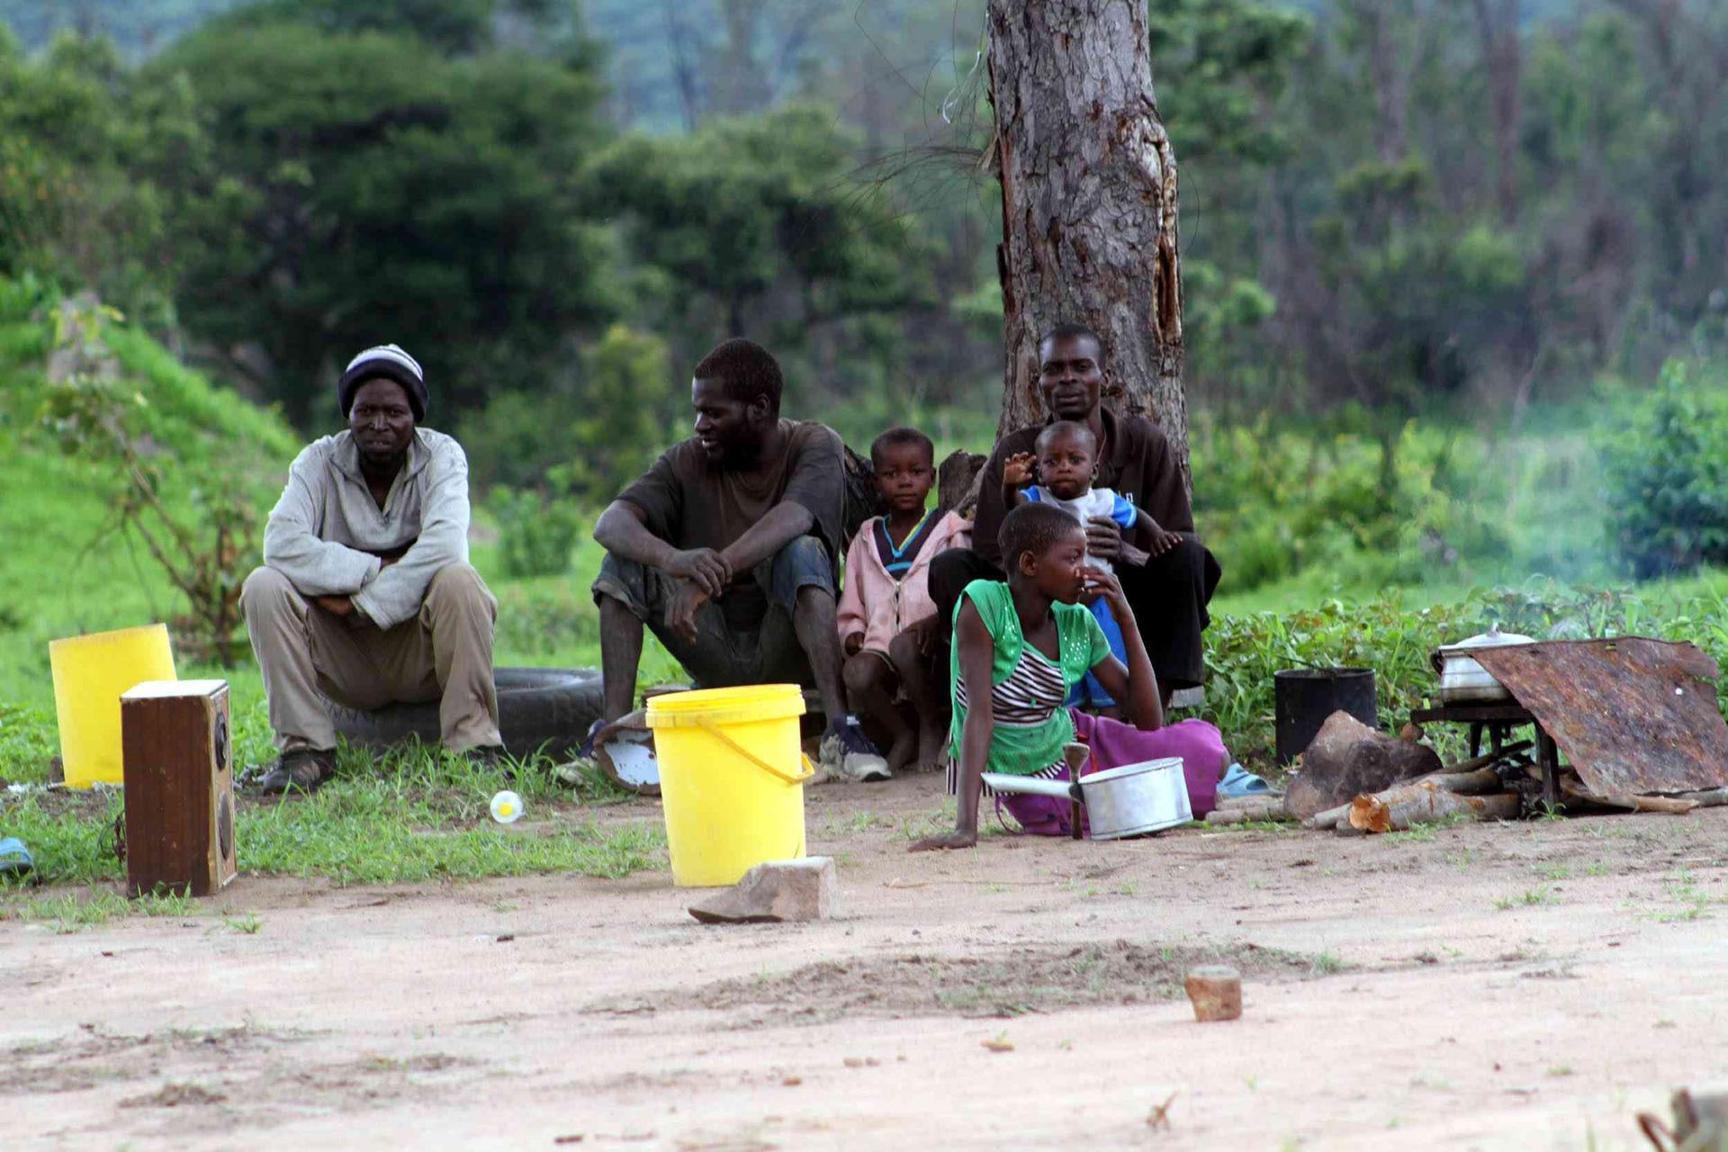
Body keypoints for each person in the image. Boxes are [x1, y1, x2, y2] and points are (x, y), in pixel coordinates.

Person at [591, 338, 888, 781]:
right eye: (697, 411)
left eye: (714, 413)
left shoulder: (813, 443)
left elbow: (794, 516)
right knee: (620, 564)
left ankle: (840, 732)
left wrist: (707, 578)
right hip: (712, 643)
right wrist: (674, 559)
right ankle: (609, 741)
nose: (699, 425)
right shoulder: (685, 461)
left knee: (802, 550)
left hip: (786, 646)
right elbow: (609, 523)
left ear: (760, 409)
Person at [242, 344, 502, 795]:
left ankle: (473, 747)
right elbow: (280, 544)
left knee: (460, 581)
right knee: (262, 585)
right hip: (344, 658)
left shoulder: (443, 457)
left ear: (415, 415)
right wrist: (377, 566)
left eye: (394, 412)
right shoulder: (317, 462)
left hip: (419, 652)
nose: (379, 424)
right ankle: (306, 752)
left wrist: (360, 603)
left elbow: (445, 547)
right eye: (366, 411)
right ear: (349, 414)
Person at [930, 323, 1220, 701]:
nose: (1068, 379)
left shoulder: (1143, 444)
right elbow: (990, 547)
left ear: (1106, 377)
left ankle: (1155, 704)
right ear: (1039, 383)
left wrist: (1126, 553)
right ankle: (999, 702)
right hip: (1036, 599)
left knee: (1190, 558)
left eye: (1081, 367)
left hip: (1119, 594)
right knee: (952, 567)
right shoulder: (1020, 451)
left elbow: (1178, 538)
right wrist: (1048, 571)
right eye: (1054, 369)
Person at [910, 503, 1164, 851]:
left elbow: (1149, 720)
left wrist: (1127, 620)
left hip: (1076, 738)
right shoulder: (984, 607)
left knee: (1201, 750)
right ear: (1030, 564)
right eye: (1072, 559)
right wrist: (965, 828)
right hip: (1028, 773)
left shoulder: (1077, 620)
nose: (1083, 571)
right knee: (1125, 808)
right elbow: (978, 715)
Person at [836, 427, 972, 773]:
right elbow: (852, 600)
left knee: (903, 646)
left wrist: (940, 619)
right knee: (856, 672)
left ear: (932, 477)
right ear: (876, 483)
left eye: (916, 472)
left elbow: (964, 589)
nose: (905, 481)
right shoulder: (866, 538)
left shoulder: (948, 529)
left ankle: (930, 724)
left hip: (932, 643)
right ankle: (902, 733)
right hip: (880, 642)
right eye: (891, 474)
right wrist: (853, 629)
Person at [1001, 419, 1140, 713]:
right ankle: (1070, 733)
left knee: (1110, 672)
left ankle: (1112, 731)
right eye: (1052, 461)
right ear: (1039, 471)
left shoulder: (1105, 500)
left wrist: (1159, 537)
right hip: (1058, 608)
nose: (1064, 466)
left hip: (1100, 601)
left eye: (1075, 460)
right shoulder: (1039, 500)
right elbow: (1015, 508)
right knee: (1064, 676)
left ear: (1094, 469)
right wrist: (1009, 486)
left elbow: (1139, 517)